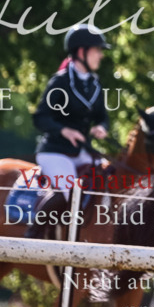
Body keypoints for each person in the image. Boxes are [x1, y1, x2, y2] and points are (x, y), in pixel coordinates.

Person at [26, 23, 111, 238]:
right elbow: (40, 117)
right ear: (82, 52)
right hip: (55, 152)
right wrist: (64, 130)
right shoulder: (60, 81)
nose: (101, 55)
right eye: (97, 50)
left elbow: (102, 117)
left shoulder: (95, 84)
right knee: (72, 191)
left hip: (82, 151)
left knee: (110, 177)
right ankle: (34, 233)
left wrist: (101, 127)